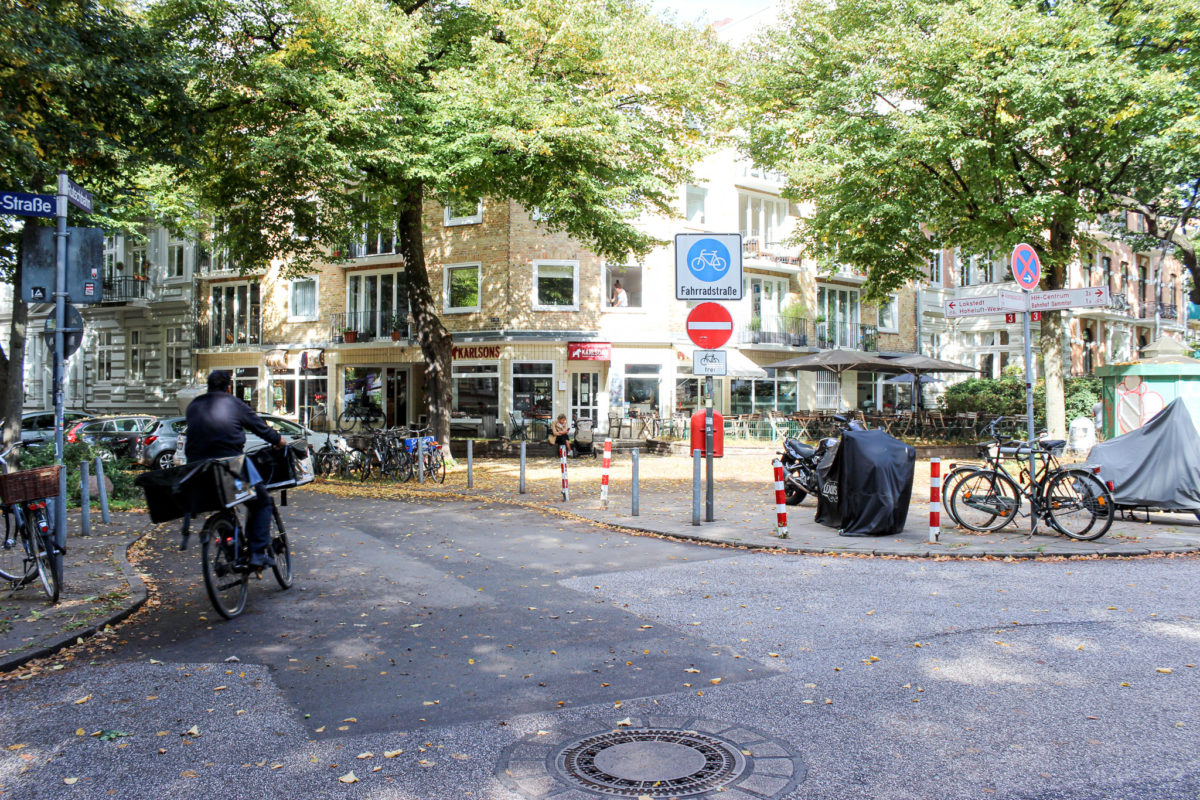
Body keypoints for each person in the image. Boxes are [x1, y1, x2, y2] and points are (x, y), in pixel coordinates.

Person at [186, 370, 285, 569]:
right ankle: (257, 553)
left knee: (224, 505)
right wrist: (278, 440)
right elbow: (260, 427)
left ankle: (231, 550)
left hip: (199, 472)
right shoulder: (234, 404)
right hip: (230, 468)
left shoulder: (193, 406)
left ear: (209, 386)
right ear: (229, 388)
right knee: (261, 501)